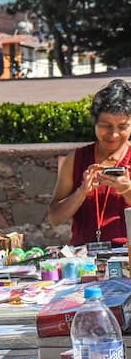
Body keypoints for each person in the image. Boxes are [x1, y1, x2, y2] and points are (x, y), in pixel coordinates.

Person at [48, 79, 131, 244]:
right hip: (84, 259)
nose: (113, 134)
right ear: (94, 123)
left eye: (122, 127)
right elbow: (55, 218)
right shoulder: (76, 159)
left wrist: (127, 190)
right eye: (105, 126)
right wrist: (81, 192)